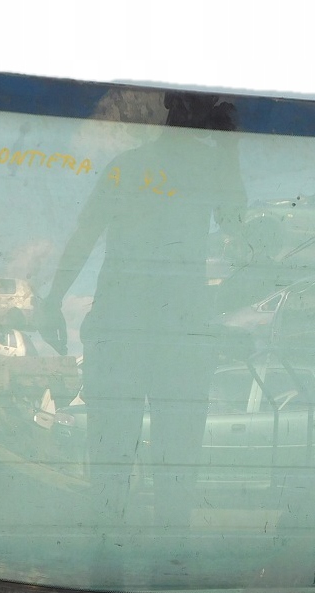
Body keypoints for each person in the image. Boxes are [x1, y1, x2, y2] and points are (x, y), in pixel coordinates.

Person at [38, 93, 247, 526]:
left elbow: (233, 223)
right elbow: (236, 224)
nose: (196, 114)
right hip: (159, 331)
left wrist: (54, 300)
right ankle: (129, 547)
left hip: (150, 331)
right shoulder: (167, 169)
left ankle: (143, 547)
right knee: (146, 464)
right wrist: (52, 300)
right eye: (196, 105)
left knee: (142, 464)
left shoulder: (140, 167)